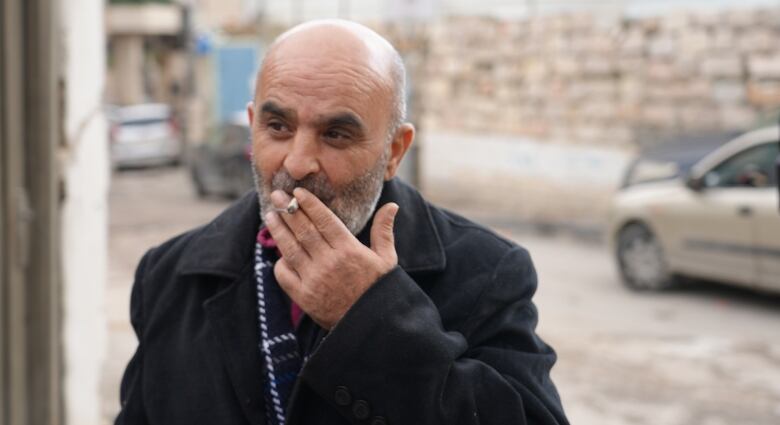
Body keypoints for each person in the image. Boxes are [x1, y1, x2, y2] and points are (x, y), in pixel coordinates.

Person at [115, 19, 568, 425]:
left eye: (335, 133)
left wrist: (369, 318)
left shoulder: (486, 272)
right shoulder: (169, 275)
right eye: (278, 127)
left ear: (394, 151)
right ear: (253, 125)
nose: (297, 161)